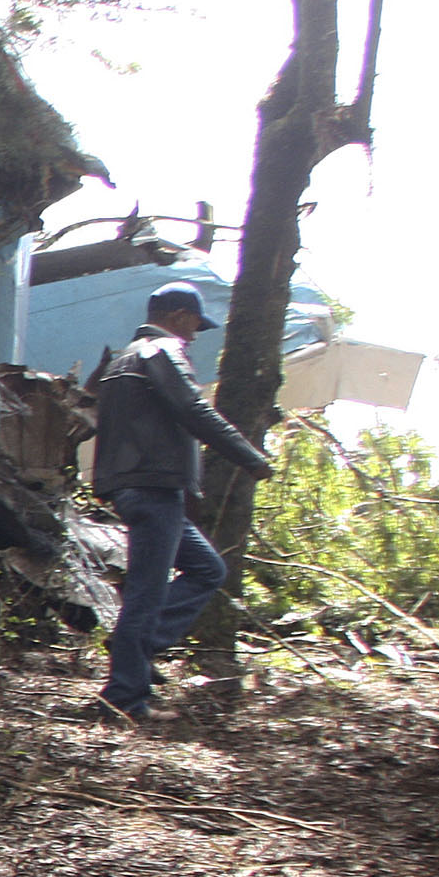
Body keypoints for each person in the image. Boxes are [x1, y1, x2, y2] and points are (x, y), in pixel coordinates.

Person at [88, 281, 274, 719]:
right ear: (177, 316)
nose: (194, 336)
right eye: (193, 325)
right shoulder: (163, 351)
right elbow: (194, 408)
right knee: (146, 595)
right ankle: (124, 697)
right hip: (155, 488)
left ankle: (136, 645)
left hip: (132, 487)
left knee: (208, 569)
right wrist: (250, 458)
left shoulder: (120, 361)